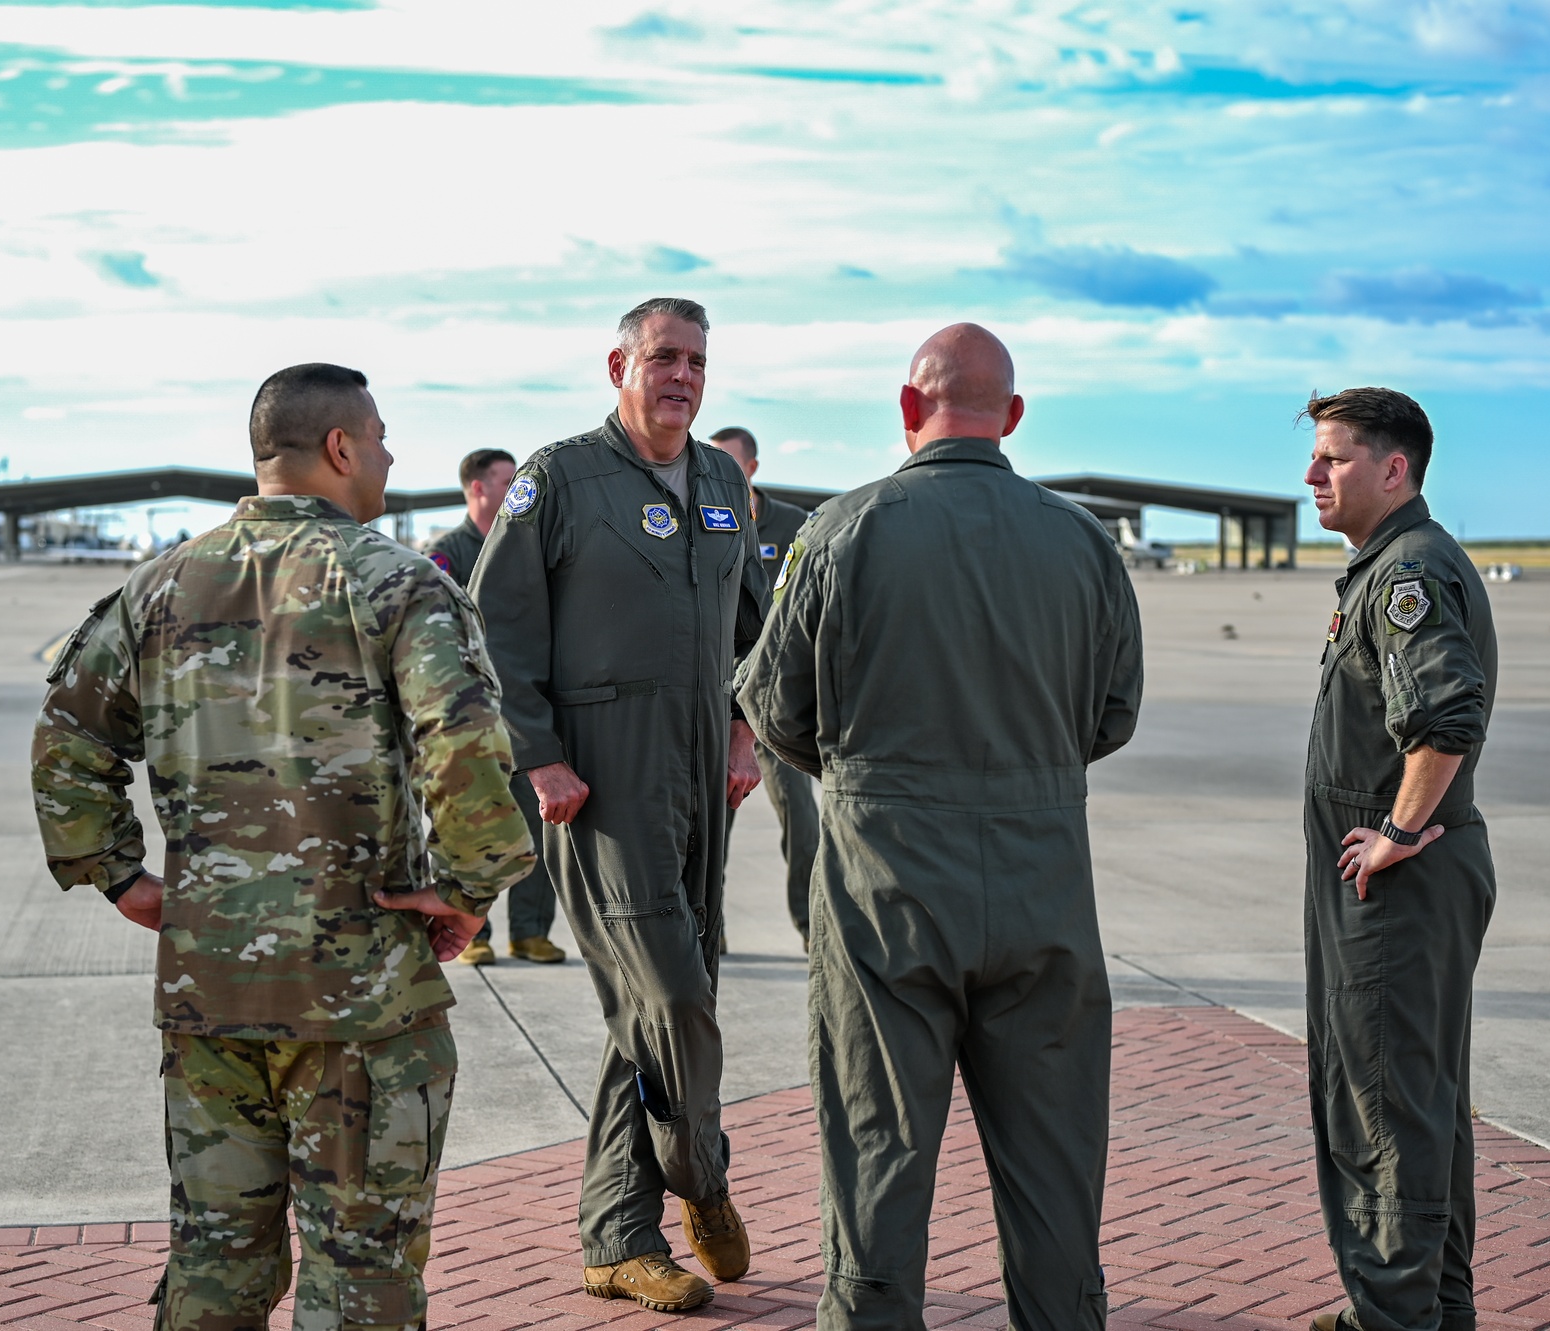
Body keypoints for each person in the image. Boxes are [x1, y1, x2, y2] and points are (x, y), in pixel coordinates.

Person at [31, 363, 534, 1331]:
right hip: (361, 1004)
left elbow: (67, 730)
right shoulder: (396, 584)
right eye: (380, 436)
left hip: (209, 991)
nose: (389, 455)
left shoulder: (160, 584)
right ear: (340, 448)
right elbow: (465, 745)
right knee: (359, 1276)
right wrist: (469, 888)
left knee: (214, 1264)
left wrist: (123, 876)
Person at [737, 323, 1143, 1331]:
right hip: (1043, 872)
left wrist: (871, 772)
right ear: (1010, 417)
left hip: (886, 880)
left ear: (907, 407)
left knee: (878, 1139)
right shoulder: (1082, 539)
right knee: (1053, 1152)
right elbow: (1112, 712)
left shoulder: (838, 530)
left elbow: (773, 707)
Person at [470, 297, 768, 1312]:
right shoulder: (559, 477)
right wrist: (540, 755)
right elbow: (496, 622)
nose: (680, 375)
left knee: (655, 997)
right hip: (597, 775)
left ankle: (615, 1238)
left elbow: (750, 630)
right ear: (617, 366)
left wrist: (742, 729)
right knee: (672, 993)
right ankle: (702, 1172)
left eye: (694, 359)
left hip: (700, 776)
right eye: (661, 357)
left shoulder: (724, 480)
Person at [1298, 389, 1496, 1331]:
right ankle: (1429, 1309)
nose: (1311, 476)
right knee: (1419, 1100)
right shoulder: (1387, 564)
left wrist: (1401, 830)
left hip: (1399, 886)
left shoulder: (1409, 570)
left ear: (1394, 468)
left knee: (1382, 1104)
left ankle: (1392, 1314)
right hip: (1398, 883)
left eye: (1333, 458)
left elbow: (1445, 712)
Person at [422, 448, 565, 967]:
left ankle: (530, 932)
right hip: (472, 719)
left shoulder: (530, 547)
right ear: (479, 488)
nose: (514, 493)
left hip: (527, 717)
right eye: (507, 483)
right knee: (471, 824)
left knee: (538, 826)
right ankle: (471, 928)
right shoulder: (447, 554)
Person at [708, 426, 820, 946]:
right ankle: (712, 928)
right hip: (718, 701)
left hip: (778, 707)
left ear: (751, 468)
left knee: (802, 820)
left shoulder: (794, 524)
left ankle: (810, 924)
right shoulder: (702, 519)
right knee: (712, 827)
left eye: (730, 461)